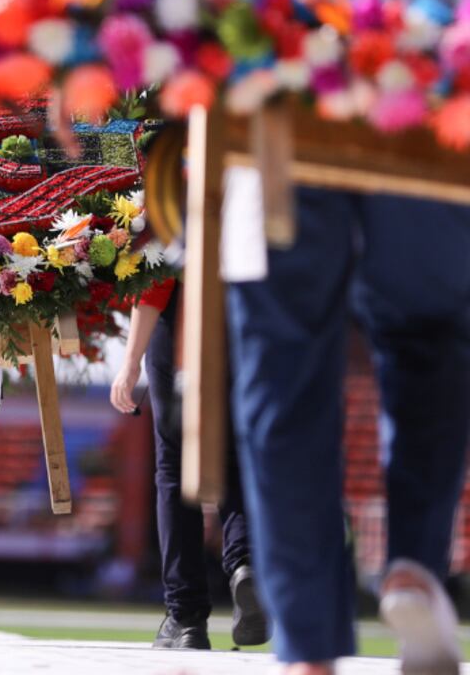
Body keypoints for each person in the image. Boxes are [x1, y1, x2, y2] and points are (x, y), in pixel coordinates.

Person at [227, 187, 470, 674]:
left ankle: (308, 647)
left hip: (276, 135)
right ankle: (415, 569)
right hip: (413, 128)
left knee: (283, 373)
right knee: (430, 338)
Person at [110, 278, 268, 649]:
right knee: (235, 460)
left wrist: (131, 362)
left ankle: (186, 617)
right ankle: (245, 561)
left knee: (174, 469)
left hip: (180, 325)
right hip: (242, 321)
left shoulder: (171, 215)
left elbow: (154, 279)